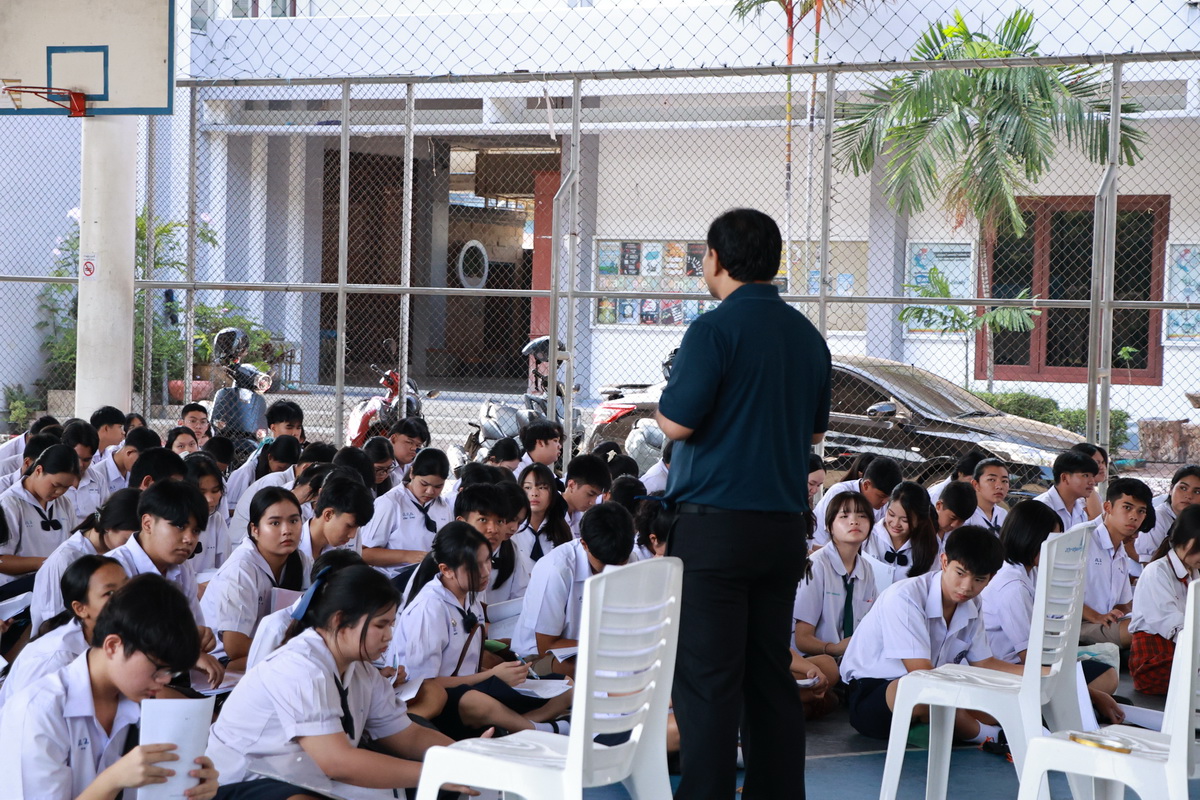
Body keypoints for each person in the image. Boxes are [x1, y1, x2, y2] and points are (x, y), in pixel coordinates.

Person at [655, 209, 831, 800]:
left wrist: (664, 407)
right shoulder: (807, 336)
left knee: (709, 684)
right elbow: (812, 433)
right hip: (782, 532)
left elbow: (677, 423)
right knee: (768, 677)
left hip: (715, 533)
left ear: (715, 258)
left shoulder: (712, 330)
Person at [208, 564, 462, 797]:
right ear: (339, 621)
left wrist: (465, 758)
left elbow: (406, 735)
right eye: (380, 625)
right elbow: (336, 762)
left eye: (391, 625)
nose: (388, 636)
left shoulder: (361, 670)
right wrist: (434, 773)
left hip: (301, 779)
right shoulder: (299, 667)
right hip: (241, 784)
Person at [0, 574, 218, 800]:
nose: (164, 681)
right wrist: (113, 780)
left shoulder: (139, 701)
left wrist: (194, 787)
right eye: (158, 668)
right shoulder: (37, 711)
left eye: (172, 673)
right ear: (113, 646)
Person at [840, 525, 1021, 745]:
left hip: (934, 687)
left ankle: (942, 725)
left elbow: (985, 663)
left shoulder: (973, 602)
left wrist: (1040, 675)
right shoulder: (905, 597)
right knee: (925, 694)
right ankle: (987, 735)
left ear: (991, 579)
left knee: (1008, 698)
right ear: (944, 562)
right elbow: (921, 674)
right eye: (960, 573)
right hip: (875, 693)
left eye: (979, 580)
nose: (966, 587)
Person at [392, 522, 573, 740]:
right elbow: (425, 685)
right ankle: (537, 729)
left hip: (475, 684)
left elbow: (469, 665)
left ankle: (518, 726)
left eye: (488, 560)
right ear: (446, 570)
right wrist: (492, 675)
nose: (486, 572)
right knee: (476, 701)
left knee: (566, 685)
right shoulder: (429, 609)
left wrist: (505, 673)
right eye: (475, 567)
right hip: (445, 699)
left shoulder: (469, 597)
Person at [980, 500, 1123, 721]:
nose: (1055, 548)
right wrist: (1091, 694)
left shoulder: (1031, 571)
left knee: (1106, 674)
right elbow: (1031, 659)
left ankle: (1080, 705)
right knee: (1097, 686)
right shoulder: (1012, 587)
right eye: (1051, 540)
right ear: (1030, 538)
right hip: (1014, 671)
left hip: (1034, 663)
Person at [106, 479, 224, 688]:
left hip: (165, 678)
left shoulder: (182, 569)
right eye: (179, 526)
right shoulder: (113, 570)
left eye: (196, 530)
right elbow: (116, 644)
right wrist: (184, 653)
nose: (189, 539)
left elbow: (193, 629)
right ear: (148, 523)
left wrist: (200, 637)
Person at [513, 502, 635, 678]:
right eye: (604, 564)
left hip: (599, 648)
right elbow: (546, 645)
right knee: (582, 666)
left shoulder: (630, 557)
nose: (613, 570)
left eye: (620, 563)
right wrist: (604, 646)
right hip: (540, 657)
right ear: (584, 544)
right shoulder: (555, 569)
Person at [201, 486, 311, 671]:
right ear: (255, 530)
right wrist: (294, 649)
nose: (287, 530)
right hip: (221, 663)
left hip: (271, 651)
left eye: (294, 520)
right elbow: (235, 647)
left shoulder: (301, 561)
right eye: (275, 523)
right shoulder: (240, 570)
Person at [0, 555, 127, 705]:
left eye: (127, 587)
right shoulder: (53, 661)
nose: (127, 598)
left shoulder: (119, 636)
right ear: (80, 608)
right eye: (109, 593)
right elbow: (24, 715)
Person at [793, 491, 878, 691]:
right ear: (829, 526)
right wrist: (834, 649)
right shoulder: (816, 565)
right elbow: (802, 638)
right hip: (813, 659)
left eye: (862, 515)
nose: (854, 521)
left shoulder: (866, 569)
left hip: (850, 661)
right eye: (844, 516)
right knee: (828, 668)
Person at [31, 488, 139, 632]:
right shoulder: (66, 559)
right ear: (109, 527)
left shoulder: (118, 552)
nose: (133, 546)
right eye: (127, 540)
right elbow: (54, 623)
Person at [1075, 477, 1155, 648]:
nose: (1134, 516)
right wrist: (1096, 616)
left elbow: (1123, 604)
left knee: (1156, 622)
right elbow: (1058, 594)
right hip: (1077, 624)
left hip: (1105, 623)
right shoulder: (1081, 538)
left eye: (1141, 511)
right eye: (1127, 507)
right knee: (1143, 630)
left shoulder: (1121, 554)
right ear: (1108, 507)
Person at [1129, 503, 1200, 694]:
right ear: (1186, 541)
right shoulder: (1156, 572)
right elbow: (1173, 626)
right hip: (1154, 661)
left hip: (1183, 651)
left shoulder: (1194, 573)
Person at [0, 443, 81, 597]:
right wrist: (44, 563)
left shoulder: (64, 503)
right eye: (56, 485)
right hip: (17, 591)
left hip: (54, 583)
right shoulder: (9, 504)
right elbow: (1, 560)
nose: (59, 492)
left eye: (66, 487)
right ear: (38, 470)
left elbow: (72, 544)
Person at [362, 448, 453, 583]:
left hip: (430, 581)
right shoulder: (390, 503)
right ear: (412, 473)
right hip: (392, 581)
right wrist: (407, 556)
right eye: (424, 484)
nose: (430, 491)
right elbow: (364, 553)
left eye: (438, 486)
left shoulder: (443, 507)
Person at [73, 425, 160, 523]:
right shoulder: (98, 475)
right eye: (142, 461)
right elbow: (99, 514)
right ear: (129, 452)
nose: (143, 467)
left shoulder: (136, 474)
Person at [811, 456, 902, 547]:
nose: (885, 502)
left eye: (889, 498)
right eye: (881, 496)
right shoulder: (840, 493)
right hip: (821, 547)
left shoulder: (883, 503)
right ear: (866, 485)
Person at [863, 481, 939, 587]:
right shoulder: (867, 536)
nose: (895, 524)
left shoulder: (930, 546)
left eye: (905, 520)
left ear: (920, 520)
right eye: (891, 514)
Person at [479, 480, 533, 605]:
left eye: (519, 523)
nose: (514, 528)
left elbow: (520, 595)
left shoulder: (512, 551)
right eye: (511, 519)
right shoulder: (465, 548)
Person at [1135, 464, 1200, 566]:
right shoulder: (1157, 518)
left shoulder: (1195, 520)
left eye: (1197, 492)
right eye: (1183, 488)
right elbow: (1148, 563)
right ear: (1171, 489)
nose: (1188, 496)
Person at [224, 434, 302, 517]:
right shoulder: (246, 473)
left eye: (289, 469)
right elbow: (227, 510)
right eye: (281, 468)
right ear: (270, 457)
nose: (285, 472)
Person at [300, 475, 375, 560]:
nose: (352, 535)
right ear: (328, 515)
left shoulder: (344, 550)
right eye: (349, 526)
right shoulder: (292, 549)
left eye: (357, 527)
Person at [514, 463, 572, 561]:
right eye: (528, 487)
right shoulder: (512, 529)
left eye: (542, 487)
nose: (534, 493)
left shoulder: (562, 529)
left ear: (553, 492)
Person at [184, 454, 232, 574]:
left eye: (215, 491)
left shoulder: (216, 519)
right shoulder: (171, 521)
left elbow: (225, 567)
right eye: (201, 492)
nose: (210, 499)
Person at [1035, 450, 1100, 533]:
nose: (1092, 482)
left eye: (1093, 476)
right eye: (1085, 475)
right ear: (1064, 478)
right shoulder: (1040, 509)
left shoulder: (1080, 511)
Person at [560, 453, 611, 536]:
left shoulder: (585, 518)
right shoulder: (547, 513)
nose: (593, 502)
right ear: (572, 485)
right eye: (590, 494)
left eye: (597, 496)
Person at [966, 458, 1010, 535]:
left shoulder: (1003, 514)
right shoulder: (966, 515)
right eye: (992, 480)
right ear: (976, 484)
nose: (999, 486)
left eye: (1004, 481)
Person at [1071, 442, 1111, 520]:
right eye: (1097, 463)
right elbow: (1096, 519)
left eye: (1103, 462)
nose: (1102, 467)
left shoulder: (1094, 494)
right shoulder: (1076, 497)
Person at [934, 481, 977, 553]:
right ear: (939, 506)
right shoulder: (921, 532)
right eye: (952, 518)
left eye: (961, 521)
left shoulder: (960, 537)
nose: (954, 525)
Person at [388, 417, 430, 486]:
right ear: (393, 439)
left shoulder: (413, 465)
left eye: (418, 445)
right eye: (409, 442)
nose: (414, 448)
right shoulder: (380, 462)